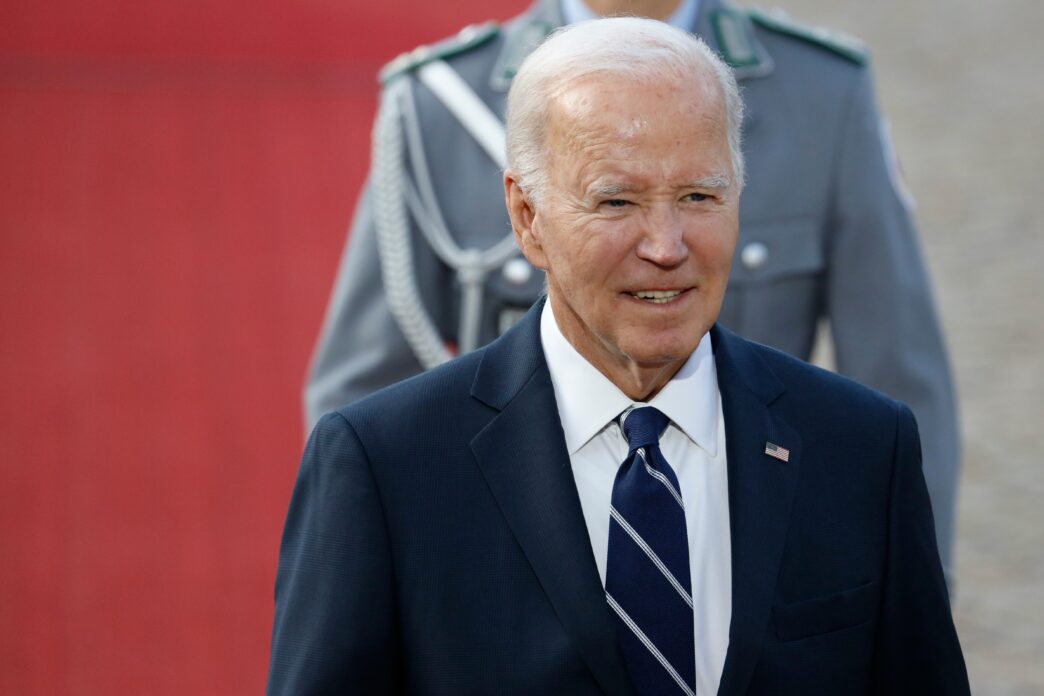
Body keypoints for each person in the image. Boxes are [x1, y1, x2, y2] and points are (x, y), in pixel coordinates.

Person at [268, 19, 968, 694]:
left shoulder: (864, 451)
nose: (666, 245)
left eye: (699, 195)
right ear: (527, 218)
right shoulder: (387, 469)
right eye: (617, 201)